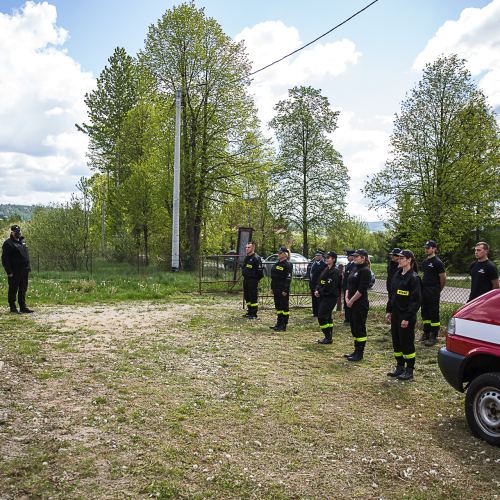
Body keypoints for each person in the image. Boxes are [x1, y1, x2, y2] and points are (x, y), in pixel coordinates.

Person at [385, 250, 421, 381]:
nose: (399, 260)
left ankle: (409, 369)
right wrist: (388, 310)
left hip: (405, 316)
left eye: (402, 258)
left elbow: (415, 301)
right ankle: (399, 366)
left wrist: (407, 317)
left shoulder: (413, 278)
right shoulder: (397, 274)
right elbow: (392, 295)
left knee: (406, 343)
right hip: (395, 314)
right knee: (396, 341)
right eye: (398, 258)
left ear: (409, 260)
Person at [344, 249, 372, 361]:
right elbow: (348, 285)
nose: (354, 258)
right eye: (354, 256)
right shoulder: (355, 269)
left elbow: (361, 289)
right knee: (354, 327)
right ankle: (355, 350)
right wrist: (346, 297)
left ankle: (360, 352)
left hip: (359, 304)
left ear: (363, 258)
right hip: (351, 303)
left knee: (359, 328)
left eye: (357, 256)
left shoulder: (365, 271)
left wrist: (352, 300)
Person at [2, 224, 34, 314]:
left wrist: (28, 267)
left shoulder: (22, 242)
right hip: (15, 270)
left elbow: (26, 256)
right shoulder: (8, 244)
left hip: (24, 269)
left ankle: (22, 307)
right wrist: (9, 271)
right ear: (12, 233)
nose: (18, 233)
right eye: (16, 232)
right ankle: (13, 307)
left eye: (19, 231)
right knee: (13, 289)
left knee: (23, 288)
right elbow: (5, 259)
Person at [419, 240, 446, 347]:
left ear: (434, 249)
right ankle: (426, 332)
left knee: (433, 312)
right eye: (425, 247)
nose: (426, 249)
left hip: (433, 289)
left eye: (428, 248)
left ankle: (434, 335)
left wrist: (437, 290)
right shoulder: (425, 262)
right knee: (424, 312)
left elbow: (443, 278)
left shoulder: (438, 262)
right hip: (424, 289)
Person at [315, 251, 342, 344]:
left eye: (328, 258)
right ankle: (329, 337)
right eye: (326, 257)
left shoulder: (335, 271)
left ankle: (327, 336)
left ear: (333, 259)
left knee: (321, 316)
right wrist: (317, 290)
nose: (326, 259)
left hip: (330, 297)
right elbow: (320, 281)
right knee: (328, 317)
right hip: (324, 296)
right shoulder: (327, 269)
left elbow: (329, 286)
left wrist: (320, 292)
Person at [269, 246, 293, 332]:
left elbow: (288, 278)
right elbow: (274, 277)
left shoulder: (287, 264)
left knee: (284, 307)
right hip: (276, 288)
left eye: (280, 253)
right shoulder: (277, 263)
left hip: (282, 288)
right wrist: (272, 287)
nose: (278, 254)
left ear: (285, 254)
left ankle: (284, 324)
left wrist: (285, 290)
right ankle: (278, 323)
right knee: (278, 306)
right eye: (278, 253)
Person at [242, 241, 264, 319]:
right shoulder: (246, 258)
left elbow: (260, 271)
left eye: (249, 247)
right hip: (246, 280)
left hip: (252, 280)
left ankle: (254, 313)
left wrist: (257, 279)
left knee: (252, 296)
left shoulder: (256, 258)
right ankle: (249, 310)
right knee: (247, 296)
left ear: (253, 248)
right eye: (246, 247)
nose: (247, 249)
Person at [309, 249, 326, 317]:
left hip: (319, 284)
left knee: (319, 299)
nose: (317, 257)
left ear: (322, 257)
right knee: (314, 299)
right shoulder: (314, 264)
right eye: (316, 255)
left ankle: (319, 312)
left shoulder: (323, 264)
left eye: (318, 255)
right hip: (313, 284)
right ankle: (315, 312)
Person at [340, 250, 356, 325]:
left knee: (350, 303)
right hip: (346, 286)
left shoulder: (354, 265)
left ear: (353, 256)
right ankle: (347, 318)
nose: (347, 257)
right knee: (346, 302)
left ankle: (351, 319)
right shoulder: (349, 264)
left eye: (349, 256)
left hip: (351, 287)